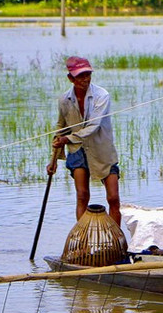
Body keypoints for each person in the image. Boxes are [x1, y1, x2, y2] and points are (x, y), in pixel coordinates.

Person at [47, 56, 122, 228]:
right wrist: (54, 158)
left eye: (88, 74)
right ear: (71, 78)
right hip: (77, 150)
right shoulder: (64, 100)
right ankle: (82, 240)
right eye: (80, 76)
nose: (85, 79)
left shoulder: (101, 96)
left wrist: (68, 138)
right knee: (82, 195)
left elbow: (93, 126)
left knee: (113, 197)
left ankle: (116, 240)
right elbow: (61, 127)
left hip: (102, 150)